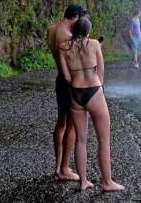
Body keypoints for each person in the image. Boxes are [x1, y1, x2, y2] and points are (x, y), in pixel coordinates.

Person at [59, 17, 125, 192]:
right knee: (103, 140)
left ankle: (83, 182)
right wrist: (99, 89)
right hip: (94, 91)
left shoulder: (63, 47)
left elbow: (66, 76)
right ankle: (107, 182)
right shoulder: (95, 44)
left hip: (75, 92)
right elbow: (101, 71)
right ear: (87, 31)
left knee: (80, 140)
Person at [46, 4, 87, 181]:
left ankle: (58, 166)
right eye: (81, 18)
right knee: (70, 125)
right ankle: (64, 169)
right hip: (69, 81)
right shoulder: (67, 37)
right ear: (75, 17)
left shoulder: (52, 29)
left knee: (61, 122)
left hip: (59, 80)